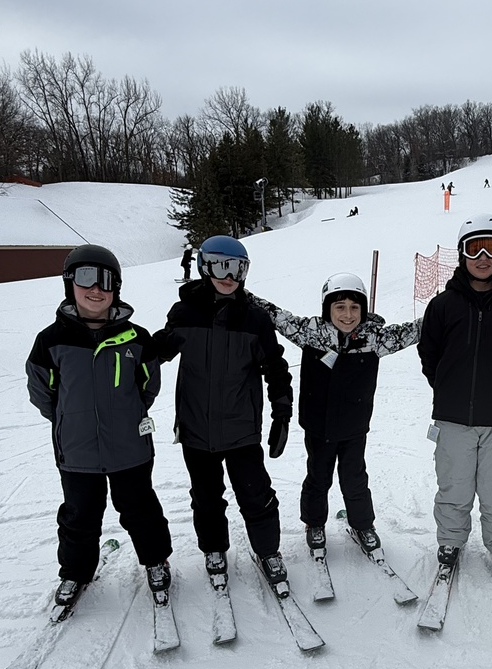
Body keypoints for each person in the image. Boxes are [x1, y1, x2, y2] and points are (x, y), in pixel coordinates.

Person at [26, 244, 173, 604]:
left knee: (140, 508)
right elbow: (41, 392)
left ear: (116, 288)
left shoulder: (136, 338)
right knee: (79, 515)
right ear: (70, 284)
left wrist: (124, 415)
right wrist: (70, 419)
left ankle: (156, 561)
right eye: (85, 278)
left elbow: (148, 387)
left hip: (129, 447)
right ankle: (75, 574)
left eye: (105, 281)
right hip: (77, 451)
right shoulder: (51, 341)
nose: (96, 289)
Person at [154, 236, 293, 587]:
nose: (227, 275)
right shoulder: (185, 313)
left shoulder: (255, 320)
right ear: (204, 266)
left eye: (236, 267)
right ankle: (214, 548)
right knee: (206, 497)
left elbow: (275, 368)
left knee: (255, 493)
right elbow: (154, 355)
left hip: (241, 428)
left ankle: (267, 550)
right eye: (219, 265)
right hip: (195, 428)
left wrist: (282, 413)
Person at [247, 274, 421, 554]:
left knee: (354, 478)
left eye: (354, 307)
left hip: (354, 426)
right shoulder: (312, 333)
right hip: (319, 426)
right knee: (318, 476)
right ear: (327, 308)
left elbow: (415, 330)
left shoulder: (373, 338)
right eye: (340, 306)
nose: (348, 314)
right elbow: (276, 316)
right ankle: (314, 523)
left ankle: (362, 524)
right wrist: (242, 294)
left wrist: (445, 310)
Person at [417, 213, 492, 581]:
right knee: (453, 485)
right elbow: (430, 355)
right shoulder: (442, 305)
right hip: (454, 417)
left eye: (491, 247)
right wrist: (449, 388)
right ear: (462, 254)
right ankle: (451, 541)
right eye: (474, 248)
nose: (483, 256)